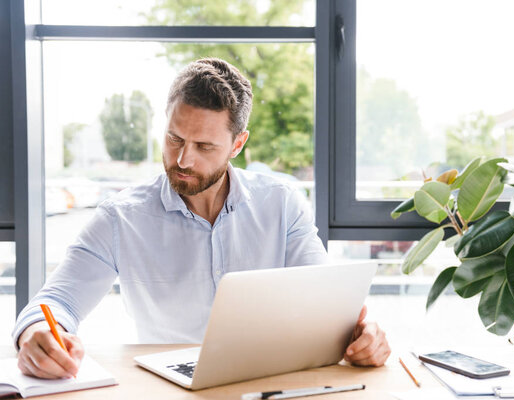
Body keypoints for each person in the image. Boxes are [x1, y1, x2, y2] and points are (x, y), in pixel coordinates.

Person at [13, 58, 391, 379]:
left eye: (205, 146)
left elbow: (325, 306)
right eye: (174, 139)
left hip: (267, 381)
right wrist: (36, 332)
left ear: (237, 144)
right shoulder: (120, 218)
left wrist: (364, 336)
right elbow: (55, 301)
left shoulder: (282, 204)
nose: (183, 160)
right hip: (164, 388)